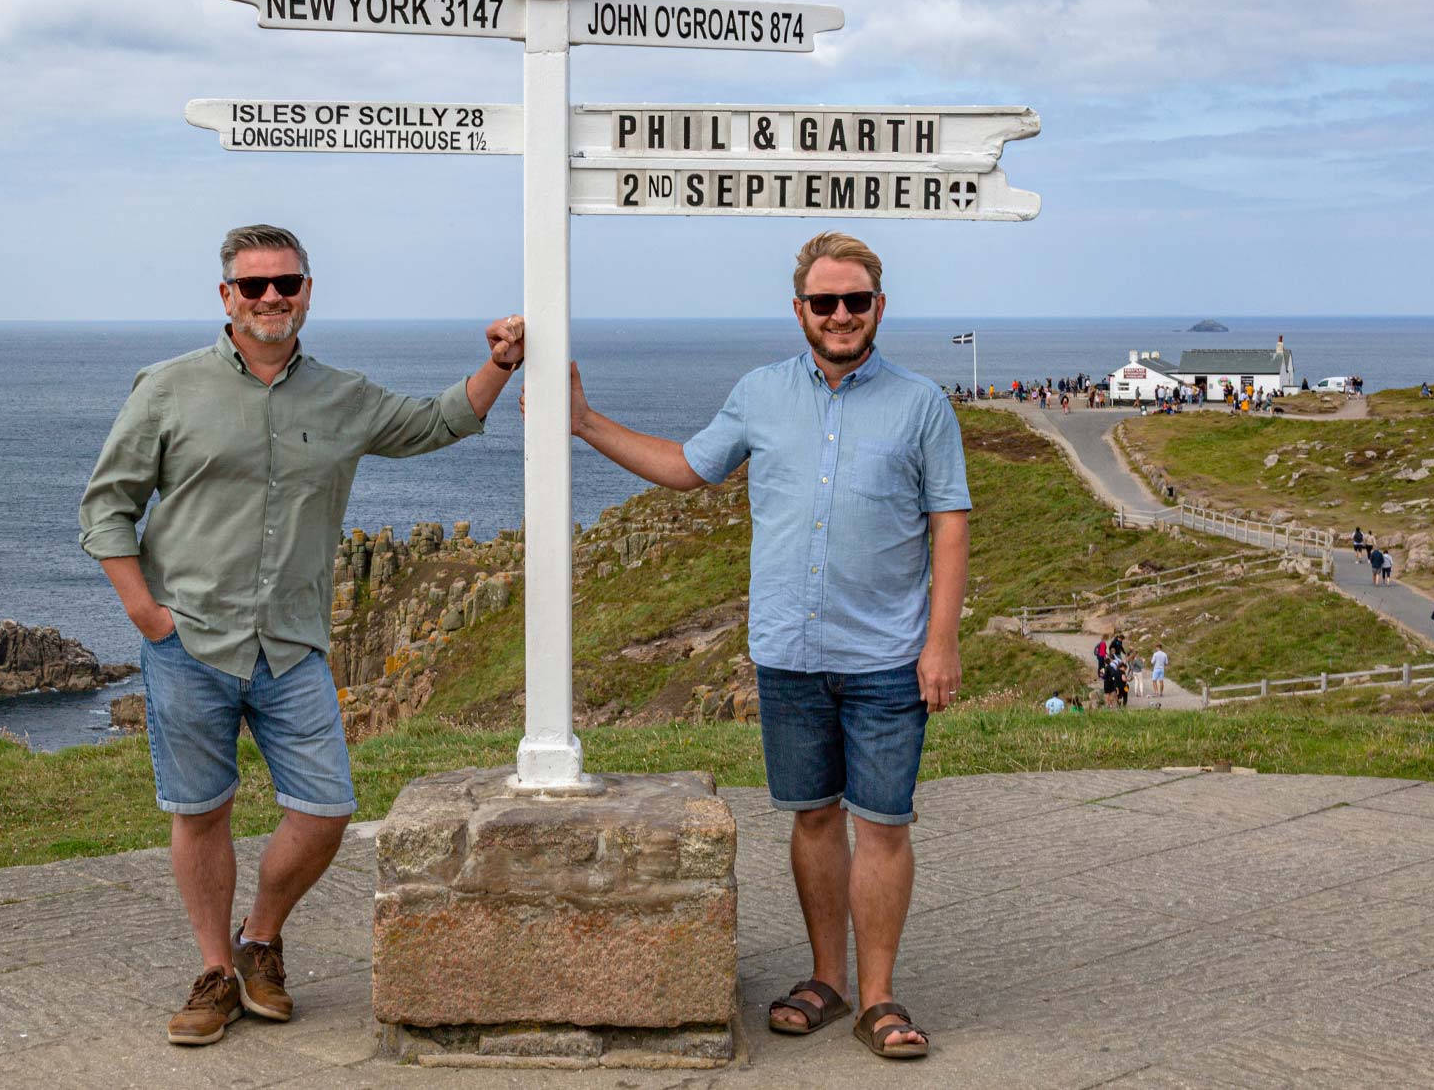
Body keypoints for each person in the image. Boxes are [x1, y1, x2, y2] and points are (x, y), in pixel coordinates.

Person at [78, 224, 526, 1046]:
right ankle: (215, 971)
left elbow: (435, 421)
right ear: (227, 297)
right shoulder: (168, 388)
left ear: (309, 291)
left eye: (287, 283)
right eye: (255, 286)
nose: (273, 298)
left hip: (292, 645)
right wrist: (145, 613)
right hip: (190, 641)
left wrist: (499, 364)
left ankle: (261, 938)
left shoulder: (342, 396)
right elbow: (106, 504)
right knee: (201, 810)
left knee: (325, 808)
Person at [561, 231, 963, 1059]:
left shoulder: (923, 404)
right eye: (826, 302)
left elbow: (948, 523)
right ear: (800, 311)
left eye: (856, 300)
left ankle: (879, 999)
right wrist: (583, 422)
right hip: (790, 652)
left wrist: (941, 641)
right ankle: (828, 979)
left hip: (888, 655)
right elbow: (688, 468)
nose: (842, 314)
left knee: (882, 824)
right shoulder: (758, 393)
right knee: (813, 818)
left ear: (880, 307)